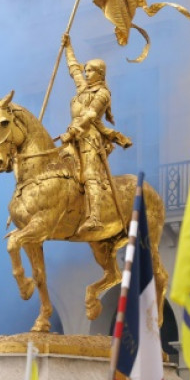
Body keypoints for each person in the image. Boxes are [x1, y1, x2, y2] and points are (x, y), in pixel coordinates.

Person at [56, 33, 132, 234]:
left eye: (90, 71)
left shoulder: (103, 94)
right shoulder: (83, 89)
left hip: (90, 137)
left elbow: (90, 115)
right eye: (86, 70)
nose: (86, 73)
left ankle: (95, 217)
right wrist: (68, 47)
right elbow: (73, 69)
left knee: (90, 174)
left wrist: (72, 131)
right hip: (74, 137)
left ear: (100, 74)